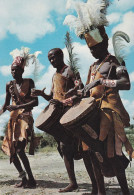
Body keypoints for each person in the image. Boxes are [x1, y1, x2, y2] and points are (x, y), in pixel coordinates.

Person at [32, 48, 105, 194]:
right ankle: (73, 182)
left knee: (85, 150)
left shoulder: (70, 71)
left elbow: (81, 89)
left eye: (53, 57)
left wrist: (69, 98)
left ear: (61, 56)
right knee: (64, 148)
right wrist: (42, 94)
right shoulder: (54, 76)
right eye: (49, 59)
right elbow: (53, 97)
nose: (52, 61)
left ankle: (96, 185)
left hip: (72, 114)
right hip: (59, 115)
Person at [78, 26, 134, 195]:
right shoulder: (93, 66)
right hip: (94, 112)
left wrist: (101, 82)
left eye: (96, 47)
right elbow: (88, 91)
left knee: (113, 154)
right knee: (94, 153)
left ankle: (125, 191)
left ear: (105, 43)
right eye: (90, 48)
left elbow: (126, 83)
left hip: (110, 112)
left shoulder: (114, 62)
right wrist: (79, 92)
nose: (93, 51)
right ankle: (101, 191)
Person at [1, 53, 39, 188]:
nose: (13, 71)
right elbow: (6, 105)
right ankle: (23, 178)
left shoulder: (29, 82)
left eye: (16, 69)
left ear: (22, 70)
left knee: (19, 150)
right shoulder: (9, 85)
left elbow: (35, 102)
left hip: (26, 118)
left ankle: (32, 180)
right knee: (11, 150)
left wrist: (18, 106)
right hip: (13, 120)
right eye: (12, 69)